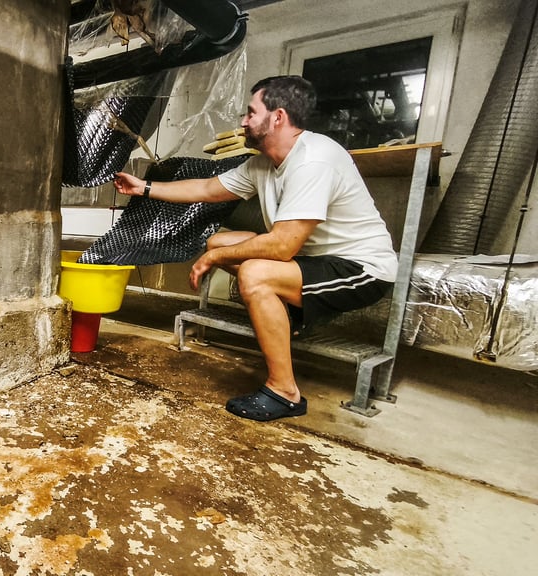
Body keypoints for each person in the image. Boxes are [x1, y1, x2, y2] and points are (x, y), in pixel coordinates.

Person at [112, 75, 397, 422]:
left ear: (277, 117)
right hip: (313, 258)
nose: (244, 121)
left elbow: (281, 245)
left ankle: (285, 392)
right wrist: (144, 187)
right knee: (221, 240)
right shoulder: (262, 164)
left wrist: (214, 258)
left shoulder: (314, 159)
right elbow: (206, 189)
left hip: (361, 270)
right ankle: (289, 316)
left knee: (254, 272)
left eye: (251, 112)